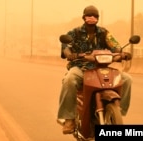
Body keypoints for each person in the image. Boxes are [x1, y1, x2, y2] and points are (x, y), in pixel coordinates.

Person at [57, 5, 133, 134]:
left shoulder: (104, 33)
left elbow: (115, 46)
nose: (91, 18)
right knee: (69, 79)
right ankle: (69, 118)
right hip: (81, 67)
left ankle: (118, 111)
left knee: (127, 79)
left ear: (98, 18)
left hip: (101, 67)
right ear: (84, 17)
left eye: (94, 16)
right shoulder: (74, 33)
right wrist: (69, 53)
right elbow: (66, 46)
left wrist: (122, 53)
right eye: (88, 15)